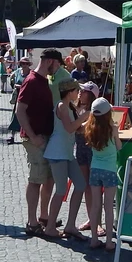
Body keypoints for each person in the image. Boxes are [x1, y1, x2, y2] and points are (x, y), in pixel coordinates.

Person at [15, 50, 62, 235]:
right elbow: (20, 110)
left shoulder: (45, 80)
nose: (57, 68)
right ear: (50, 61)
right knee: (36, 179)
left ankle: (44, 216)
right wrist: (33, 136)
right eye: (57, 64)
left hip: (47, 137)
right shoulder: (32, 80)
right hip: (35, 138)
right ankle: (32, 222)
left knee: (48, 178)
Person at [43, 79, 90, 242]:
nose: (78, 93)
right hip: (57, 152)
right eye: (76, 90)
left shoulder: (70, 106)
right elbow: (69, 127)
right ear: (69, 91)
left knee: (81, 184)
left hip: (67, 153)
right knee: (61, 190)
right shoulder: (62, 106)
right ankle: (50, 227)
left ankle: (70, 225)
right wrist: (84, 117)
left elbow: (76, 129)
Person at [83, 97, 121, 251]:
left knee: (95, 205)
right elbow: (118, 146)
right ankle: (109, 242)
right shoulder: (112, 129)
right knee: (108, 207)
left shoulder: (89, 128)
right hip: (110, 170)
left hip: (95, 170)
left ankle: (93, 239)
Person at [74, 81, 100, 235]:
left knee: (95, 186)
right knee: (86, 186)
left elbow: (79, 127)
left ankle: (98, 221)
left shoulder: (94, 111)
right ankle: (91, 218)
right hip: (80, 150)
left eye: (83, 91)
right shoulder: (77, 108)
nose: (80, 93)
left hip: (91, 149)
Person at [6, 57, 31, 144]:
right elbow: (12, 80)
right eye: (23, 63)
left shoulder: (31, 73)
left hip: (29, 97)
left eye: (26, 63)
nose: (24, 65)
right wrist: (14, 86)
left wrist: (22, 87)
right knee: (16, 115)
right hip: (19, 97)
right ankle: (12, 135)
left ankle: (27, 135)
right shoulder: (17, 72)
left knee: (28, 116)